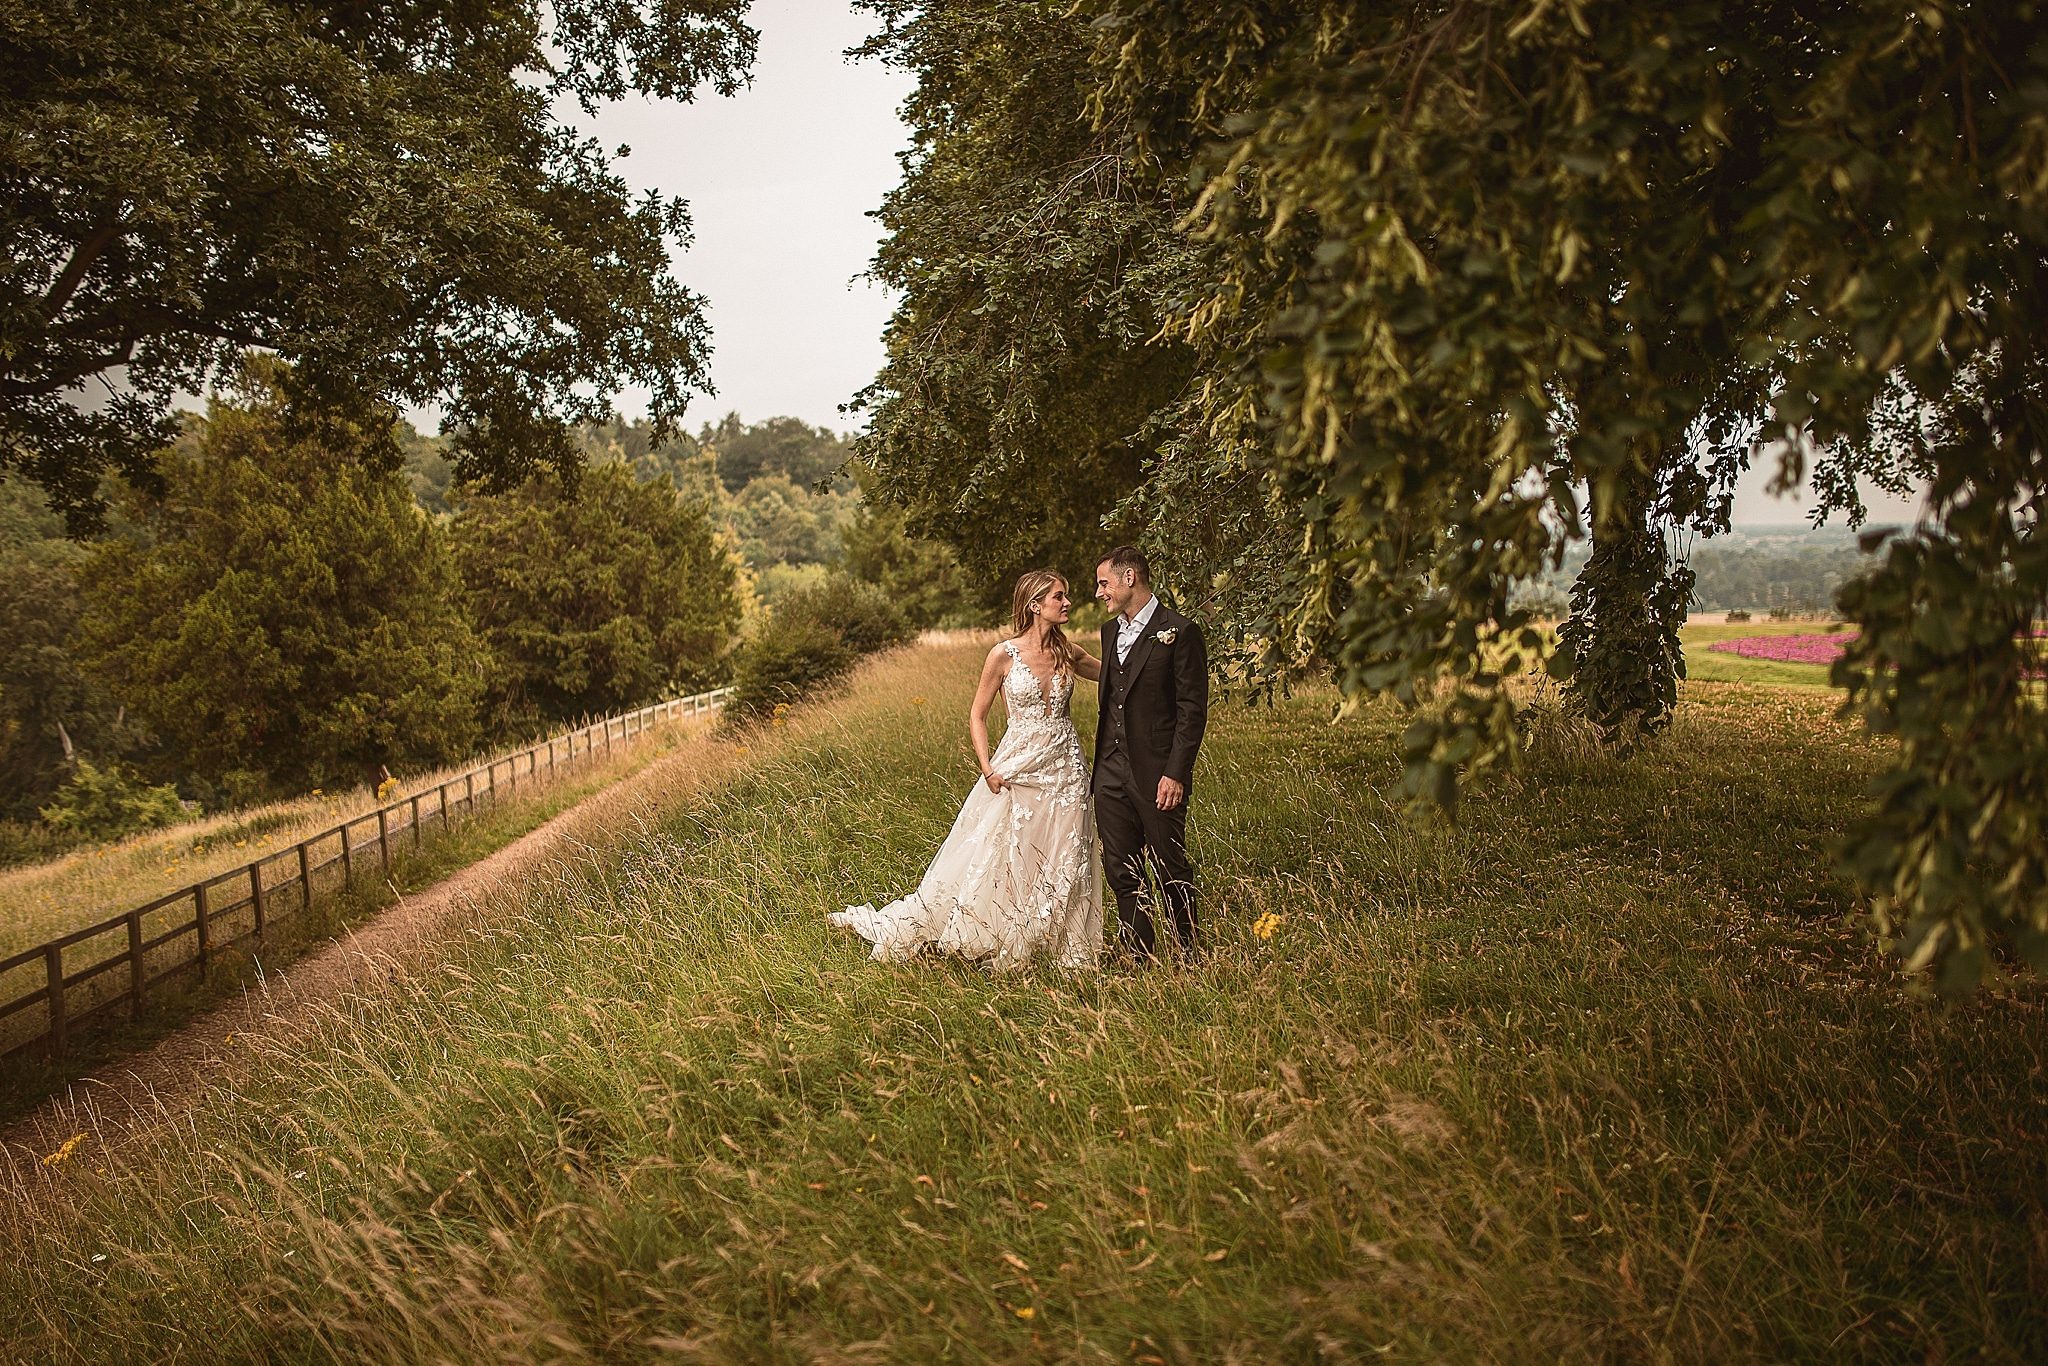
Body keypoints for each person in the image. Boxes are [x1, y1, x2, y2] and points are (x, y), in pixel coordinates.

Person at [831, 570, 1104, 970]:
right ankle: (1002, 929)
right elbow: (977, 716)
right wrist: (987, 766)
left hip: (1066, 767)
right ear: (1034, 605)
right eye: (1058, 597)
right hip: (1017, 765)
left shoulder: (1070, 653)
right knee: (1007, 849)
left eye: (1066, 596)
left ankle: (1066, 946)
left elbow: (1120, 673)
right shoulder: (1003, 655)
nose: (1067, 603)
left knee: (1068, 851)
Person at [1092, 545, 1208, 962]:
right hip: (1109, 772)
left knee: (1169, 866)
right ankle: (1138, 951)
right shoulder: (1109, 633)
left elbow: (1191, 712)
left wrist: (1176, 773)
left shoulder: (1179, 631)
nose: (1099, 592)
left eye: (1104, 583)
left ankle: (1187, 951)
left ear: (1129, 579)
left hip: (1158, 774)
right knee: (1120, 867)